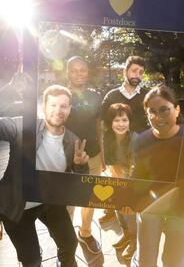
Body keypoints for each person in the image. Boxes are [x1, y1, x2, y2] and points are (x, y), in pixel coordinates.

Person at [0, 84, 89, 267]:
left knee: (70, 244)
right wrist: (8, 90)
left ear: (69, 109)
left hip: (49, 201)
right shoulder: (24, 126)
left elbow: (79, 181)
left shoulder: (72, 140)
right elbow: (3, 126)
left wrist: (80, 166)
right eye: (53, 105)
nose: (58, 111)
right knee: (31, 260)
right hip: (18, 205)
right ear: (44, 107)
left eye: (63, 106)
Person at [131, 85, 184, 267]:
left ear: (177, 110)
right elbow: (137, 176)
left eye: (164, 110)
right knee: (146, 260)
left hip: (183, 208)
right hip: (150, 206)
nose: (157, 117)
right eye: (151, 112)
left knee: (174, 262)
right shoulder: (141, 140)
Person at [99, 55, 148, 224]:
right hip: (116, 149)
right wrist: (102, 155)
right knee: (117, 183)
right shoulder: (111, 96)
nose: (138, 75)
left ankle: (132, 222)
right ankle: (113, 210)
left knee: (134, 185)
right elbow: (102, 124)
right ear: (125, 71)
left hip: (138, 149)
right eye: (134, 70)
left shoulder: (146, 95)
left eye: (141, 72)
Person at [65, 56, 102, 254]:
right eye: (74, 70)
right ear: (68, 73)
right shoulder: (63, 96)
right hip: (68, 157)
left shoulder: (96, 96)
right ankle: (67, 241)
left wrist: (102, 156)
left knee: (90, 198)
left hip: (94, 156)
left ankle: (85, 232)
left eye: (83, 70)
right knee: (69, 201)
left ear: (87, 73)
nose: (79, 74)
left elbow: (99, 126)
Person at [103, 103, 137, 260]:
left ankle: (134, 241)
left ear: (129, 121)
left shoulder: (135, 139)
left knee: (129, 213)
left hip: (131, 182)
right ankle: (126, 235)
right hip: (115, 179)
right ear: (110, 122)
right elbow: (110, 163)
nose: (121, 124)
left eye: (124, 120)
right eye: (117, 120)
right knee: (118, 210)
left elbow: (136, 168)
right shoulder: (108, 137)